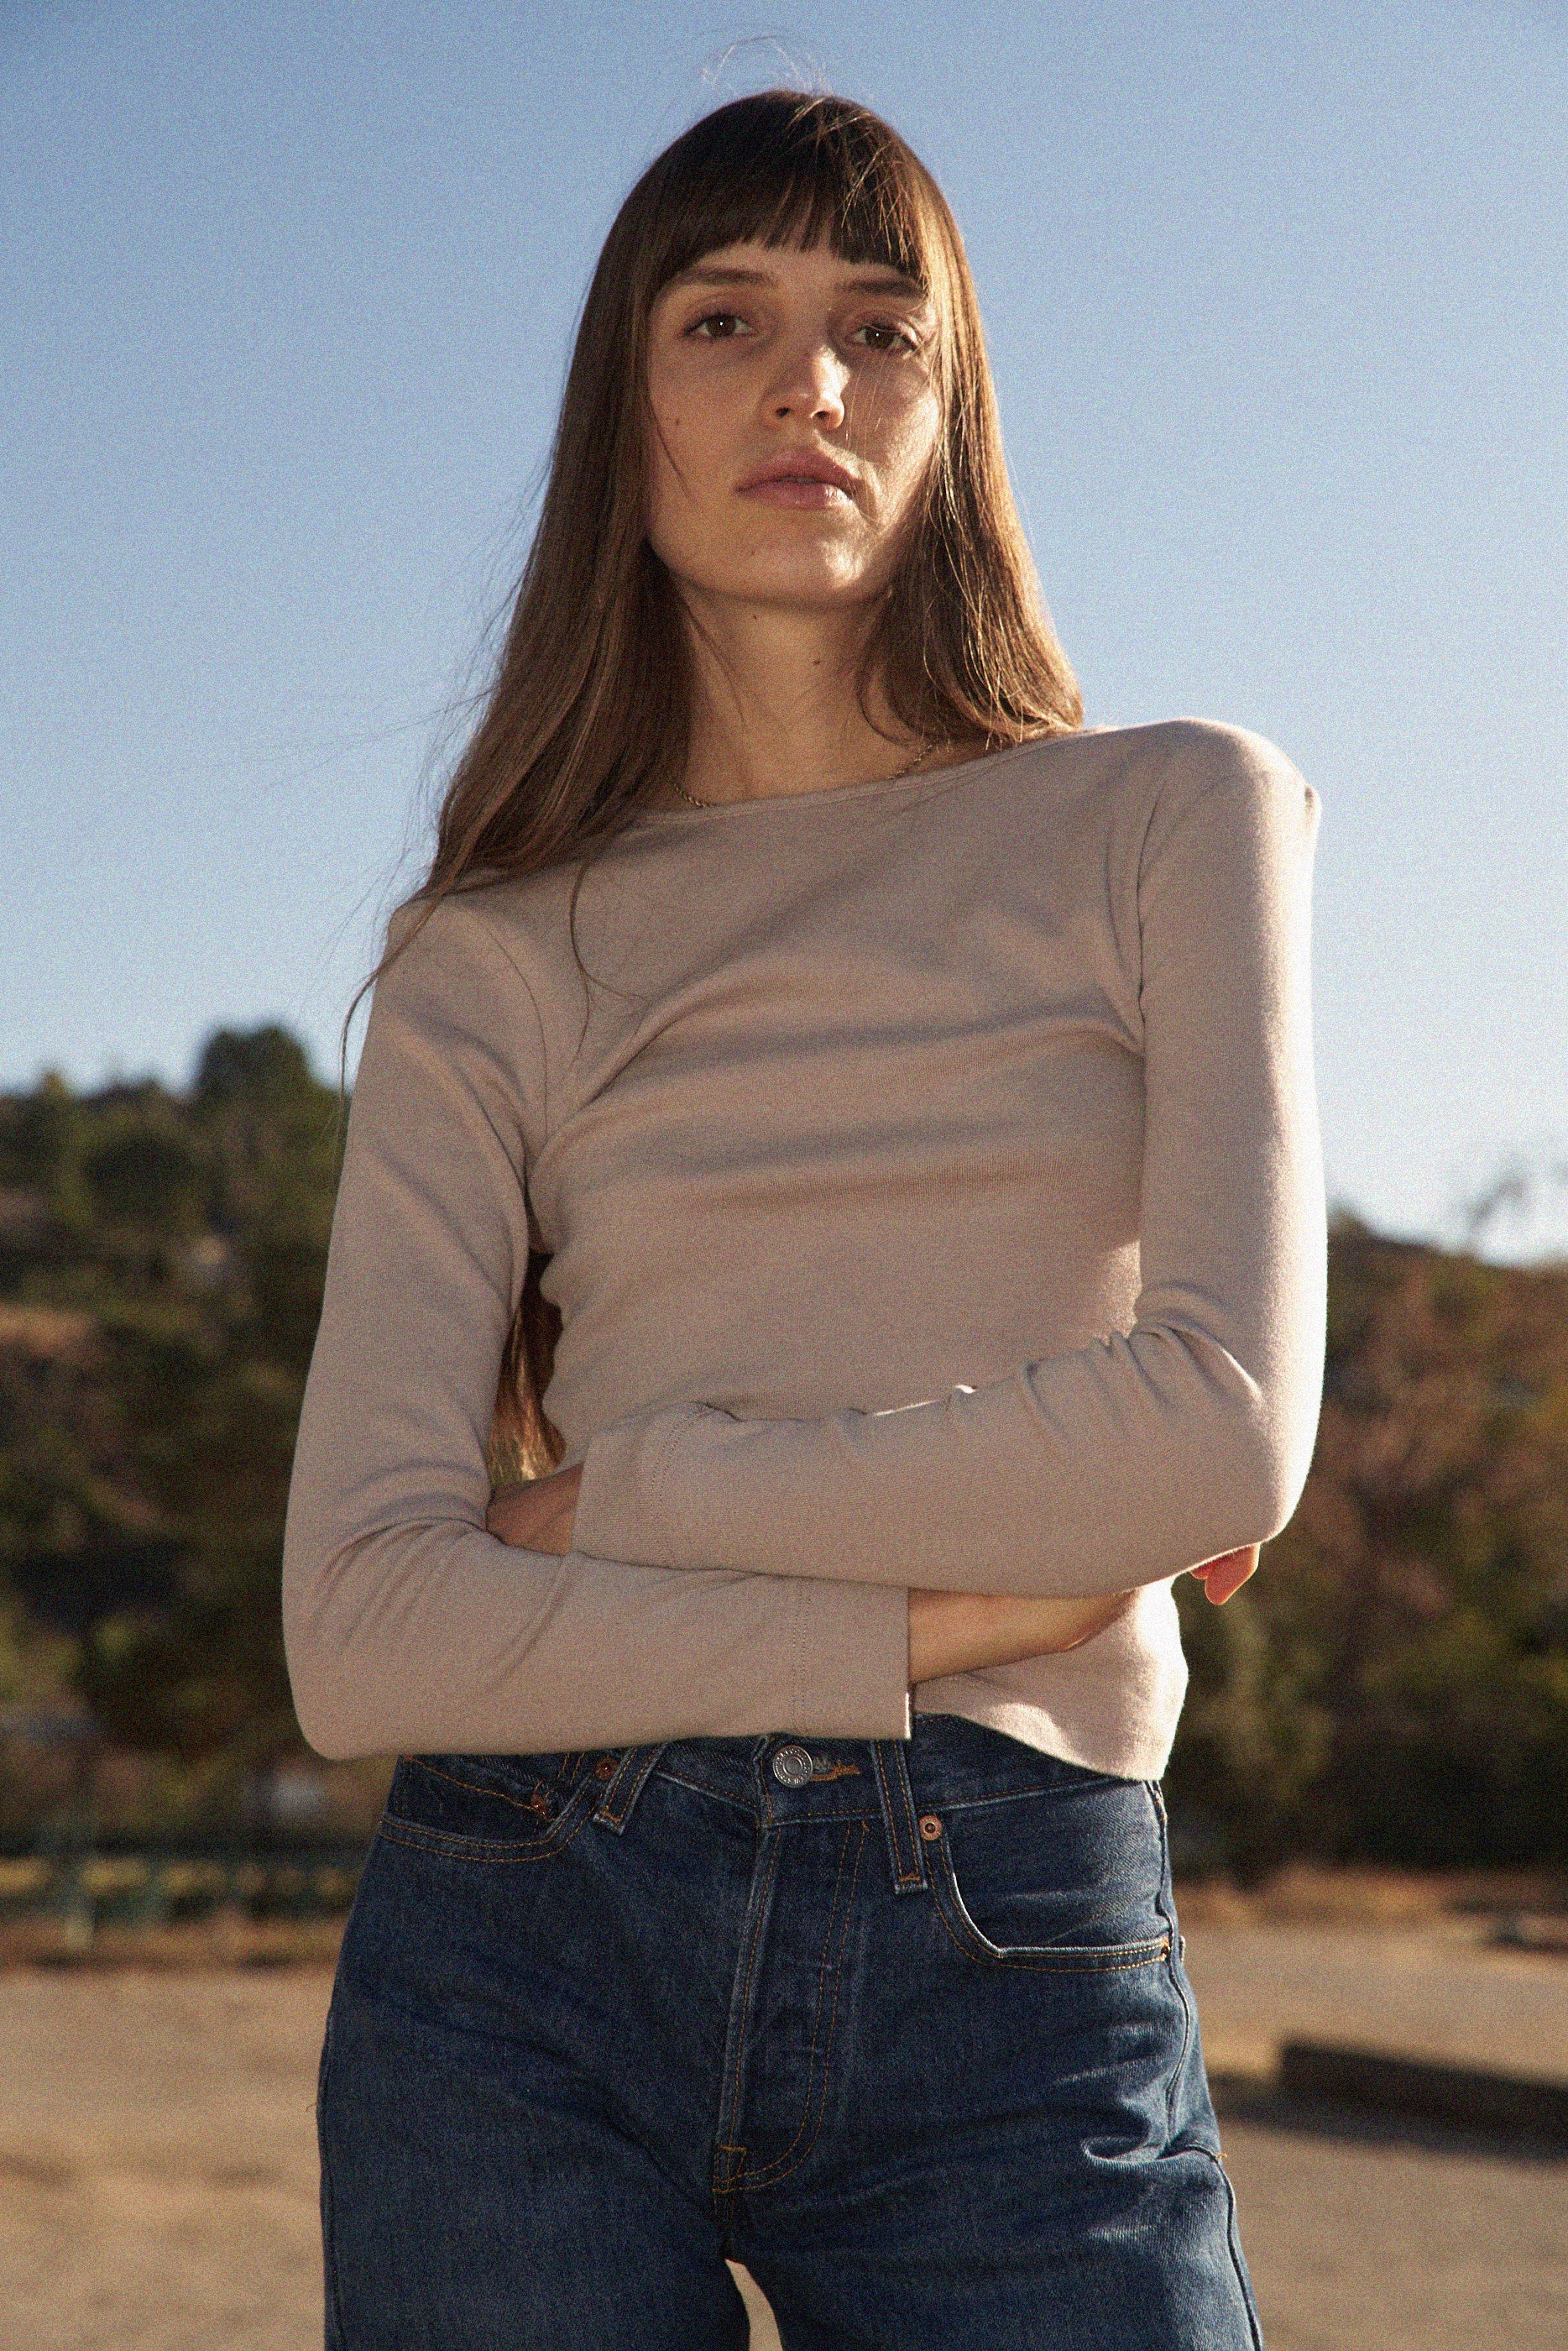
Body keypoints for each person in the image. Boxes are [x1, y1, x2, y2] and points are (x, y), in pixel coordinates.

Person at [283, 88, 1323, 2350]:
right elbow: (363, 1636)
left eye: (880, 332)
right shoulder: (490, 952)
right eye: (723, 317)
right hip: (520, 1937)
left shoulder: (1171, 816)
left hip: (1013, 1944)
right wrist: (946, 1605)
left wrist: (614, 1509)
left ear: (950, 420)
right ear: (620, 402)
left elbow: (1218, 1437)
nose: (807, 385)